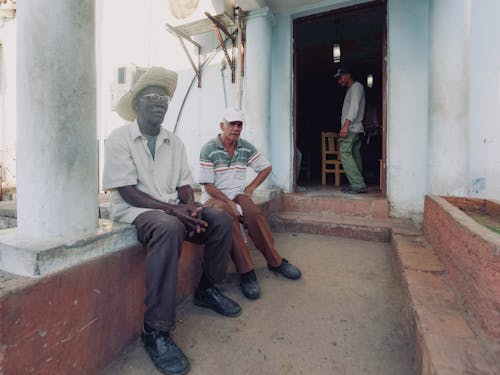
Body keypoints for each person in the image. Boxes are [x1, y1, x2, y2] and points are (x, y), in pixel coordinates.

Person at [103, 67, 241, 375]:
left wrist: (190, 208)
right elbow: (126, 191)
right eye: (151, 97)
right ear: (136, 104)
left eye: (164, 97)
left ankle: (206, 289)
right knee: (169, 227)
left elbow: (183, 186)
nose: (160, 102)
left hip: (171, 209)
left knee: (219, 218)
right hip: (136, 211)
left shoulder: (174, 142)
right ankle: (156, 330)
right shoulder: (119, 138)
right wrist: (173, 211)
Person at [199, 108, 302, 300]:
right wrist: (229, 202)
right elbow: (208, 186)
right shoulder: (209, 148)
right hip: (215, 198)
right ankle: (246, 272)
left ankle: (275, 261)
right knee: (228, 217)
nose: (236, 128)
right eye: (232, 124)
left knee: (254, 213)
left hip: (238, 194)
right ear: (222, 126)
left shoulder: (245, 147)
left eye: (240, 125)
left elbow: (266, 167)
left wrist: (251, 188)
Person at [334, 67, 367, 194]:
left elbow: (354, 107)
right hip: (355, 128)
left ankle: (358, 183)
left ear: (348, 75)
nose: (339, 81)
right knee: (354, 155)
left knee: (345, 153)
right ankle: (357, 183)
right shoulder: (353, 89)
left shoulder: (356, 87)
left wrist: (346, 125)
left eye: (341, 77)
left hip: (352, 128)